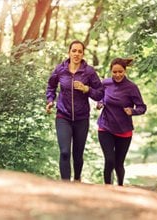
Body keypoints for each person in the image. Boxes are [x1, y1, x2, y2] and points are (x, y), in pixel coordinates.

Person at [46, 40, 104, 181]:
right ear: (69, 52)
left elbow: (100, 92)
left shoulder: (89, 72)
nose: (76, 54)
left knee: (78, 154)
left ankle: (77, 179)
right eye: (74, 50)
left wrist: (86, 89)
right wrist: (50, 100)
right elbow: (51, 86)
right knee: (65, 152)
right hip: (63, 115)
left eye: (79, 51)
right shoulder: (60, 69)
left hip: (81, 118)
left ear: (83, 54)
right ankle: (65, 184)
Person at [96, 58, 147, 186]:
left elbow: (142, 107)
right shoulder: (105, 83)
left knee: (119, 163)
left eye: (120, 72)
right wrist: (100, 103)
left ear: (125, 71)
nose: (117, 75)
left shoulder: (131, 87)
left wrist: (132, 111)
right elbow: (100, 96)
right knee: (109, 160)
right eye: (114, 72)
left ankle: (120, 188)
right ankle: (107, 187)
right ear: (110, 71)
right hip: (105, 127)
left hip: (124, 130)